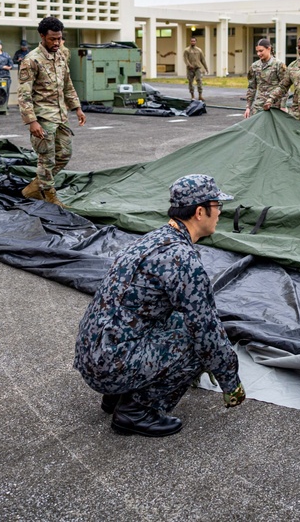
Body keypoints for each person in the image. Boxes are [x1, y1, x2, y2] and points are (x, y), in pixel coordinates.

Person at [73, 174, 246, 437]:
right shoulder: (183, 260)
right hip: (109, 365)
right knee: (198, 343)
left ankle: (116, 395)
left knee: (174, 320)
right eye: (217, 206)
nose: (220, 213)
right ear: (200, 212)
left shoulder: (149, 240)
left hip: (92, 354)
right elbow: (207, 332)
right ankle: (136, 412)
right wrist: (231, 383)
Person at [17, 16, 86, 208]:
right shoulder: (31, 60)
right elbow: (24, 95)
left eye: (59, 39)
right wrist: (32, 122)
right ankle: (49, 196)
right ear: (42, 36)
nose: (56, 43)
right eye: (52, 39)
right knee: (46, 159)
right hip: (43, 118)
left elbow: (68, 85)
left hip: (60, 116)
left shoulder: (61, 56)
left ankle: (34, 187)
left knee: (64, 154)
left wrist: (77, 108)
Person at [244, 38, 287, 118]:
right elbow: (251, 88)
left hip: (275, 105)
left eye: (261, 51)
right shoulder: (254, 66)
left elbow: (284, 86)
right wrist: (248, 107)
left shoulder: (278, 65)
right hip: (259, 106)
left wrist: (283, 106)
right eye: (257, 51)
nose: (258, 54)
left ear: (269, 49)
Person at [183, 37, 208, 101]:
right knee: (190, 82)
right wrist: (189, 65)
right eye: (191, 41)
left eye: (194, 41)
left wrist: (206, 67)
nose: (193, 42)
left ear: (196, 42)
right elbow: (185, 59)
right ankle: (192, 96)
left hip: (197, 68)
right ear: (190, 42)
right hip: (190, 69)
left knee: (199, 80)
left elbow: (203, 59)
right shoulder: (186, 50)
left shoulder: (199, 50)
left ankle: (200, 95)